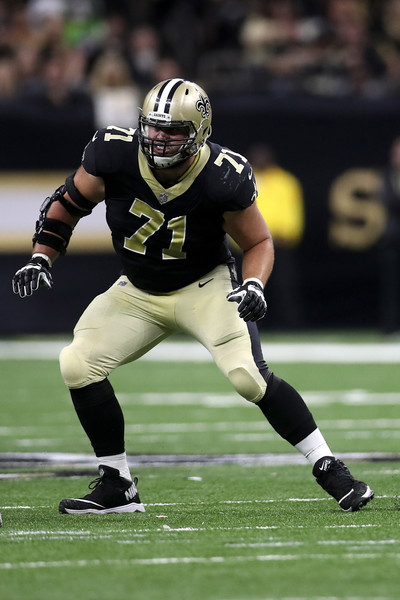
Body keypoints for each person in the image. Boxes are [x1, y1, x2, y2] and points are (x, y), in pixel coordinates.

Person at [12, 78, 374, 514]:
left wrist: (254, 284)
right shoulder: (114, 153)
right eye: (153, 127)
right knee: (77, 363)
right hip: (138, 290)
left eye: (172, 131)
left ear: (198, 133)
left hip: (205, 287)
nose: (159, 138)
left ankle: (330, 468)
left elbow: (259, 241)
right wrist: (42, 257)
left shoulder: (222, 175)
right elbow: (68, 203)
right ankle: (117, 485)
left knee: (247, 376)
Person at [248, 142, 305, 329]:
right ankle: (253, 325)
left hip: (279, 243)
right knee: (252, 285)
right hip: (249, 244)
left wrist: (289, 233)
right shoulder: (246, 177)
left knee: (284, 286)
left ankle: (290, 325)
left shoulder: (285, 181)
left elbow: (292, 211)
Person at [378, 135, 400, 334]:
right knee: (391, 286)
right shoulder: (387, 175)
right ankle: (390, 326)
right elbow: (386, 200)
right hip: (393, 238)